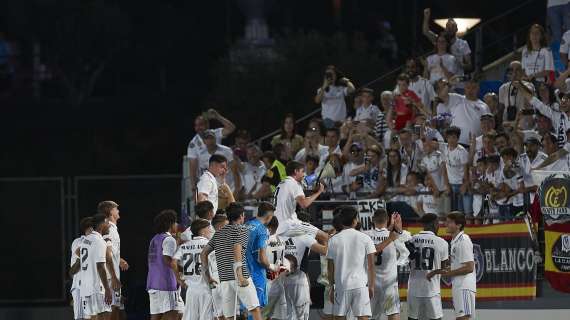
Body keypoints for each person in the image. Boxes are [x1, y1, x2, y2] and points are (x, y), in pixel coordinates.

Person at [201, 203, 262, 320]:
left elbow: (203, 253)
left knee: (229, 316)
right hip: (240, 276)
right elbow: (237, 248)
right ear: (241, 216)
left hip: (224, 279)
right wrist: (240, 276)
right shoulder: (242, 230)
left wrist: (207, 277)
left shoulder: (218, 233)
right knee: (254, 309)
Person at [327, 206, 376, 320]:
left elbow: (330, 268)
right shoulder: (365, 238)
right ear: (354, 220)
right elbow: (371, 266)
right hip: (361, 285)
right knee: (363, 318)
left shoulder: (333, 240)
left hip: (341, 286)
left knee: (339, 318)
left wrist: (331, 287)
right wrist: (372, 286)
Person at [282, 217, 328, 320]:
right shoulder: (304, 235)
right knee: (300, 316)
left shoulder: (278, 234)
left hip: (282, 279)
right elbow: (325, 250)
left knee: (287, 314)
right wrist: (327, 239)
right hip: (298, 279)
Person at [273, 160, 329, 243]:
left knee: (306, 243)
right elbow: (304, 204)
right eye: (303, 171)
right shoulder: (294, 184)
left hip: (277, 225)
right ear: (296, 171)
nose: (304, 175)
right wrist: (319, 192)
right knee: (325, 237)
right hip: (290, 224)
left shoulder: (282, 183)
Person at [407, 213, 449, 320]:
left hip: (414, 289)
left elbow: (407, 262)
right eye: (438, 223)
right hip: (432, 290)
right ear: (435, 224)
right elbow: (444, 269)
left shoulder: (412, 239)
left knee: (412, 318)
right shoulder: (442, 243)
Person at [363, 209, 403, 320]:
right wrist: (395, 228)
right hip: (389, 282)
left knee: (368, 315)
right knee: (393, 313)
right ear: (387, 220)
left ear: (372, 220)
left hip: (370, 282)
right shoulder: (395, 236)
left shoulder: (364, 235)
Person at [188, 109, 236, 195]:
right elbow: (193, 168)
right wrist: (193, 187)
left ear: (207, 125)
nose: (198, 128)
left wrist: (218, 116)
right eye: (196, 125)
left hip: (223, 179)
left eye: (201, 125)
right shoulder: (193, 144)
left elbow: (231, 128)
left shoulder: (215, 133)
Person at [173, 218, 214, 320]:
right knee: (206, 317)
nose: (210, 231)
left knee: (190, 317)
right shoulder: (209, 245)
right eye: (209, 229)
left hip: (191, 289)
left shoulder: (184, 246)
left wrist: (178, 279)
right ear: (202, 231)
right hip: (206, 288)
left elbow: (173, 262)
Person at [439, 212, 477, 320]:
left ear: (459, 225)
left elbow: (469, 267)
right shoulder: (455, 241)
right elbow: (457, 264)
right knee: (460, 317)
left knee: (463, 317)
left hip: (464, 285)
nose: (446, 224)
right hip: (459, 285)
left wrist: (449, 273)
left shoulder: (463, 240)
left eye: (449, 222)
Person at [147, 210, 182, 320]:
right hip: (166, 284)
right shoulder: (169, 239)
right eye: (175, 222)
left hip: (152, 283)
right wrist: (182, 271)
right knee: (173, 314)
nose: (177, 225)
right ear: (170, 224)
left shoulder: (154, 239)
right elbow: (168, 260)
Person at [97, 201, 129, 320]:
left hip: (112, 275)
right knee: (111, 311)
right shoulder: (108, 228)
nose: (118, 211)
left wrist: (119, 259)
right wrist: (114, 277)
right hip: (110, 278)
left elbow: (108, 250)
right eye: (116, 209)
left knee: (116, 310)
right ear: (111, 212)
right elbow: (106, 253)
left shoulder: (112, 228)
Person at [245, 202, 277, 314]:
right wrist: (271, 266)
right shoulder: (262, 230)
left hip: (242, 274)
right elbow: (261, 259)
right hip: (255, 274)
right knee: (256, 310)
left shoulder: (246, 224)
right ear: (269, 216)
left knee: (246, 309)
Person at [423, 9, 472, 80]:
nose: (450, 29)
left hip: (457, 81)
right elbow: (426, 32)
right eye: (448, 27)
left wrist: (459, 64)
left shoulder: (463, 43)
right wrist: (426, 17)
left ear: (457, 29)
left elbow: (469, 65)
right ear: (445, 29)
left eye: (452, 27)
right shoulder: (441, 40)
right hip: (441, 82)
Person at [80, 214, 113, 320]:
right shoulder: (99, 241)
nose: (109, 225)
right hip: (97, 288)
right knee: (105, 316)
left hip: (85, 289)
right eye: (107, 223)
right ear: (102, 224)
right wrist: (107, 289)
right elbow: (100, 267)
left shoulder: (85, 241)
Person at [518, 81, 570, 148]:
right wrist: (520, 88)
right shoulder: (555, 114)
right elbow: (538, 104)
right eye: (563, 102)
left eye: (567, 102)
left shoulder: (554, 107)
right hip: (562, 151)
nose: (563, 104)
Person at [196, 130, 241, 195]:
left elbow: (235, 171)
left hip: (229, 189)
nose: (210, 141)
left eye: (212, 138)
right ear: (204, 141)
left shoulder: (226, 151)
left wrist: (237, 189)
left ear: (215, 139)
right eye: (207, 138)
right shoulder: (201, 155)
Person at [448, 79, 491, 146]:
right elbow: (441, 94)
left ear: (478, 88)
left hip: (477, 145)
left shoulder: (484, 106)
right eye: (468, 88)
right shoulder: (456, 99)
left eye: (473, 88)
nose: (470, 90)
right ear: (464, 88)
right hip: (456, 143)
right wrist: (449, 84)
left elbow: (488, 126)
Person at [443, 126, 472, 215]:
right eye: (449, 137)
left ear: (458, 138)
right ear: (446, 138)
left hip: (462, 184)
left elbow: (466, 169)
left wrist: (465, 184)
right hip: (451, 185)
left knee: (467, 212)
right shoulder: (445, 149)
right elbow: (444, 168)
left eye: (454, 137)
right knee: (455, 213)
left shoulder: (462, 151)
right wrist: (447, 184)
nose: (451, 140)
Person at [69, 217, 93, 320]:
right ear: (91, 228)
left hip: (92, 286)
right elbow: (73, 271)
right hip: (80, 285)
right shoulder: (78, 242)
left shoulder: (97, 241)